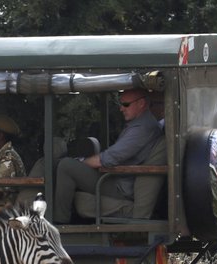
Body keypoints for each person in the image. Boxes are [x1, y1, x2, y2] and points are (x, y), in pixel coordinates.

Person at [53, 88, 162, 223]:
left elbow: (107, 159)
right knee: (59, 164)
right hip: (117, 179)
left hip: (120, 186)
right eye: (120, 104)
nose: (121, 109)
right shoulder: (140, 125)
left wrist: (80, 162)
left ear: (141, 104)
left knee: (66, 166)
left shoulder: (142, 129)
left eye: (126, 104)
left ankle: (59, 224)